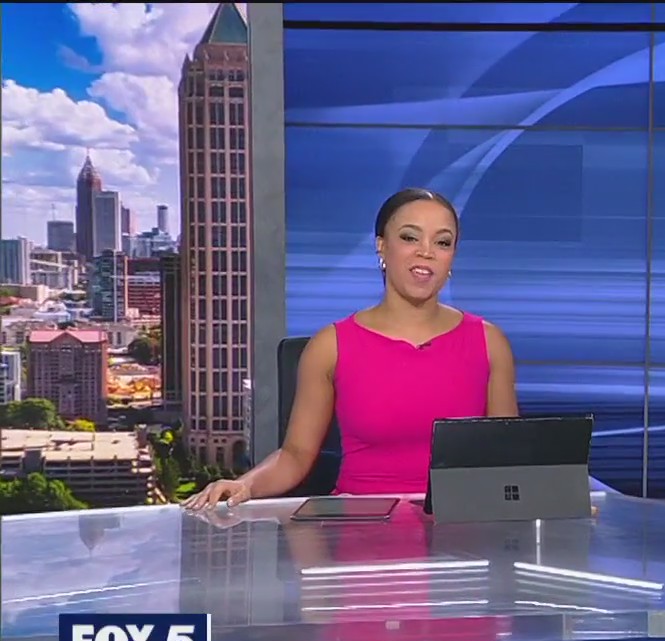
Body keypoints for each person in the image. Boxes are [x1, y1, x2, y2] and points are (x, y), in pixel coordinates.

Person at [183, 188, 519, 510]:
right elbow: (295, 456)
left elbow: (509, 459)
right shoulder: (330, 346)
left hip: (461, 529)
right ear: (381, 246)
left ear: (452, 256)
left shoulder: (489, 343)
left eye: (442, 242)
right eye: (410, 237)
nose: (426, 252)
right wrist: (246, 485)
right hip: (363, 526)